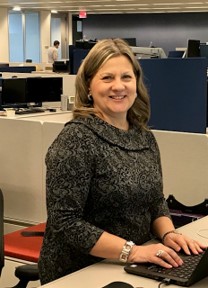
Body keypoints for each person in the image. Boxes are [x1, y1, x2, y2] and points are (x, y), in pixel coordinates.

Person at [38, 38, 206, 284]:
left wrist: (168, 233)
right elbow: (66, 223)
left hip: (136, 264)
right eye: (107, 78)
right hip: (81, 271)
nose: (119, 86)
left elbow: (155, 201)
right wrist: (133, 251)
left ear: (136, 83)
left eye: (126, 77)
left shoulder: (143, 136)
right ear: (88, 86)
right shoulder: (76, 139)